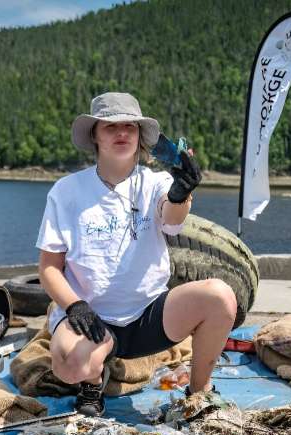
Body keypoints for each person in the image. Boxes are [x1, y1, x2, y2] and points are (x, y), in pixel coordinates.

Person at [36, 92, 237, 416]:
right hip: (91, 320)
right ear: (95, 135)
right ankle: (91, 383)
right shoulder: (66, 191)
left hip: (149, 318)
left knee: (221, 298)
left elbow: (172, 219)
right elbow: (48, 268)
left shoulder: (156, 181)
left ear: (140, 136)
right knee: (70, 365)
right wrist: (75, 306)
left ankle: (200, 391)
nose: (121, 133)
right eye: (110, 126)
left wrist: (181, 192)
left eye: (130, 126)